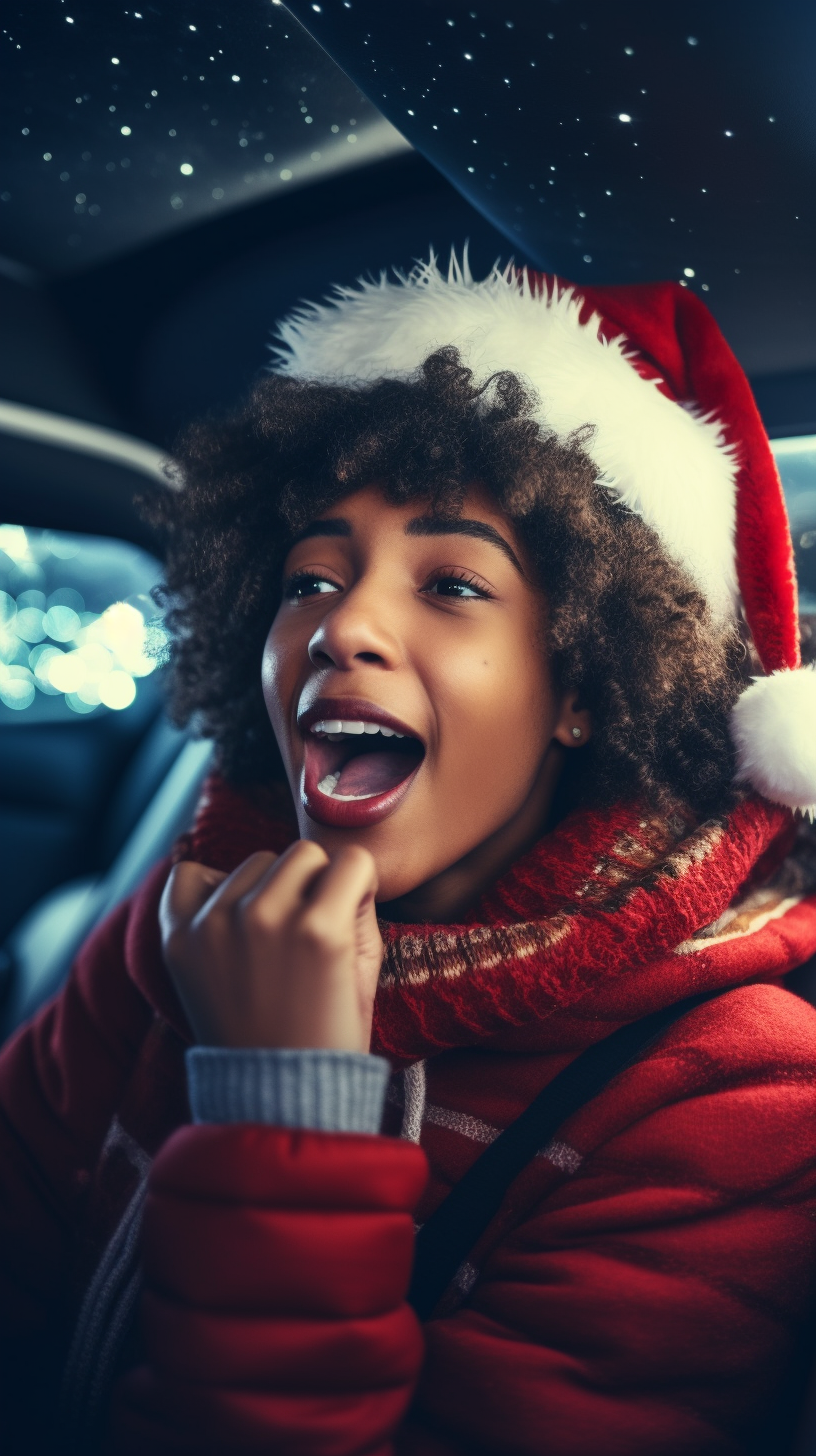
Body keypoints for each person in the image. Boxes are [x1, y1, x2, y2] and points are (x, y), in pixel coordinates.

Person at [1, 256, 816, 1455]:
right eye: (309, 578)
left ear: (584, 682)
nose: (341, 625)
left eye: (450, 583)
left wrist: (280, 1103)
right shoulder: (184, 919)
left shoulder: (738, 1096)